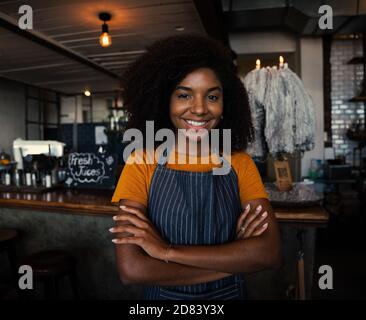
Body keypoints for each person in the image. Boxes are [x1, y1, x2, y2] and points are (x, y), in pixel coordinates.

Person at [110, 34, 281, 300]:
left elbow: (268, 253)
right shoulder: (141, 163)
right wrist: (232, 262)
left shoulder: (240, 163)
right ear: (164, 101)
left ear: (226, 104)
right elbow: (132, 270)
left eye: (212, 96)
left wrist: (166, 252)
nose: (199, 109)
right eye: (184, 95)